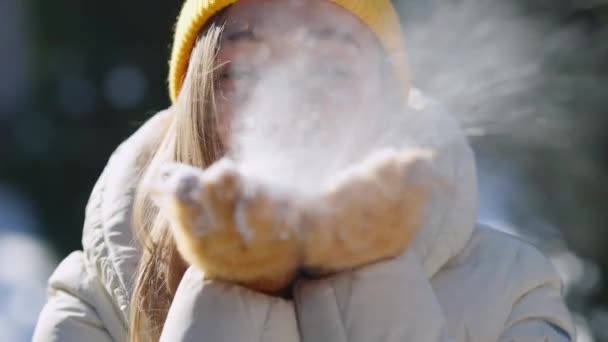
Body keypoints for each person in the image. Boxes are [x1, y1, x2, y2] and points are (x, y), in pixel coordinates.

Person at [32, 0, 575, 341]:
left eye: (328, 67)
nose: (288, 103)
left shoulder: (512, 292)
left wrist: (366, 269)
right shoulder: (94, 302)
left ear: (387, 100)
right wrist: (230, 283)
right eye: (241, 71)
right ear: (196, 99)